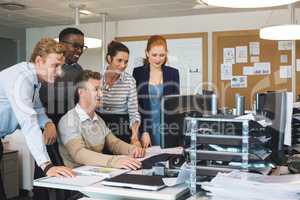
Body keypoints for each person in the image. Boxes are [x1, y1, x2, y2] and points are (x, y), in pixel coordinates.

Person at [0, 38, 74, 200]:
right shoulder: (20, 79)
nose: (60, 72)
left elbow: (37, 107)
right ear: (39, 61)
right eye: (55, 66)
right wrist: (47, 165)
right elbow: (29, 123)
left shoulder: (34, 79)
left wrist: (47, 123)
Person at [58, 70, 145, 170]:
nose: (101, 94)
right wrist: (115, 161)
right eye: (96, 89)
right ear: (81, 92)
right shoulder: (68, 120)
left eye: (101, 89)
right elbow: (78, 153)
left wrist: (132, 149)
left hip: (96, 173)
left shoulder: (98, 120)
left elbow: (114, 144)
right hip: (75, 178)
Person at [36, 27, 86, 200]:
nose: (79, 51)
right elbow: (37, 102)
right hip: (46, 124)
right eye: (75, 46)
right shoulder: (48, 67)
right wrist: (47, 124)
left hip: (68, 124)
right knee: (44, 171)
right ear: (61, 44)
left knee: (68, 169)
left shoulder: (78, 70)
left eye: (82, 47)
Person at [133, 35, 180, 148]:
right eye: (154, 55)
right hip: (146, 128)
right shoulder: (138, 73)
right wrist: (144, 131)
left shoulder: (173, 73)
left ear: (166, 53)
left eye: (162, 55)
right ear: (147, 53)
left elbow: (176, 105)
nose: (158, 59)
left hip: (168, 128)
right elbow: (136, 105)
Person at [99, 41, 141, 146]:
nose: (123, 65)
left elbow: (133, 112)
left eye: (126, 62)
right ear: (109, 59)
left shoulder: (130, 81)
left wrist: (135, 137)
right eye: (119, 60)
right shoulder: (97, 78)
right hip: (99, 126)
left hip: (121, 127)